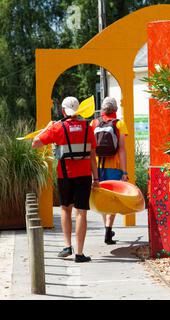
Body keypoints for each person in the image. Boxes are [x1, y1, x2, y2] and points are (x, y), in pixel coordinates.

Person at [32, 97, 99, 263]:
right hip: (84, 176)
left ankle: (67, 246)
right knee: (81, 212)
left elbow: (35, 143)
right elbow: (92, 156)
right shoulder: (87, 128)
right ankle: (80, 253)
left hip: (65, 175)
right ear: (78, 111)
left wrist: (46, 128)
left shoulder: (57, 128)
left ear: (63, 111)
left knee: (65, 209)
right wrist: (96, 178)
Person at [91, 97, 129, 245]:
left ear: (102, 109)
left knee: (101, 198)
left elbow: (91, 148)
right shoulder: (119, 124)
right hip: (113, 167)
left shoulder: (94, 123)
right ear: (116, 110)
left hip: (97, 167)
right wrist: (124, 172)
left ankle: (106, 227)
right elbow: (121, 149)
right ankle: (108, 229)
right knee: (112, 198)